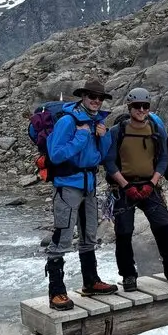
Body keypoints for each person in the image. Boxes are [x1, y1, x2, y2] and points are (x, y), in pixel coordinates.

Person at [43, 79, 118, 310]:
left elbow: (101, 156)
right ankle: (56, 292)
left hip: (89, 185)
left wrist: (103, 136)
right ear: (83, 97)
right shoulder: (68, 121)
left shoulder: (96, 121)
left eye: (100, 98)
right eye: (92, 97)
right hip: (68, 185)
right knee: (63, 236)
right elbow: (56, 155)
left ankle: (91, 282)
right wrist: (82, 136)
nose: (96, 101)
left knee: (89, 235)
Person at [103, 88, 168, 288]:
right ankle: (128, 275)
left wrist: (152, 182)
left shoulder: (155, 130)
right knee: (124, 232)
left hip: (149, 185)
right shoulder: (117, 131)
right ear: (129, 107)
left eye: (145, 106)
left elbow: (164, 157)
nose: (141, 110)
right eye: (137, 106)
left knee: (163, 226)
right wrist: (126, 185)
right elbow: (109, 162)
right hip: (123, 187)